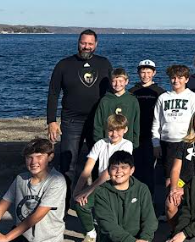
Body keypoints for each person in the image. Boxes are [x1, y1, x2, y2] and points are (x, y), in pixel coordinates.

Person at [46, 29, 113, 185]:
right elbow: (53, 93)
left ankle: (99, 202)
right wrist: (51, 121)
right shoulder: (64, 65)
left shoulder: (104, 63)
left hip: (98, 120)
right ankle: (65, 203)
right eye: (83, 43)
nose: (86, 46)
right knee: (67, 164)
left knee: (100, 163)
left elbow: (113, 92)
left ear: (96, 44)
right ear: (78, 43)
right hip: (71, 121)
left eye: (90, 43)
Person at [72, 114, 134, 242]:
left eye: (118, 130)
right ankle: (91, 234)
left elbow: (110, 171)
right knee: (80, 203)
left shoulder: (127, 145)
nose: (114, 133)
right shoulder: (100, 144)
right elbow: (87, 169)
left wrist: (88, 190)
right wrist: (77, 192)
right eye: (111, 130)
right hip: (101, 185)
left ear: (125, 130)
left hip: (118, 185)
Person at [152, 64, 195, 184]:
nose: (176, 80)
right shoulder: (163, 97)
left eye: (180, 77)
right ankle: (169, 201)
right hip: (167, 144)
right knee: (169, 179)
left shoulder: (192, 97)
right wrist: (155, 143)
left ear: (186, 79)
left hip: (186, 143)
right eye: (173, 77)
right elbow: (156, 122)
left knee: (187, 177)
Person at [129, 59, 165, 190]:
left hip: (152, 136)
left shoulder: (160, 92)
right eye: (142, 72)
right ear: (138, 73)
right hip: (135, 135)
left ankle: (150, 198)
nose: (145, 75)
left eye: (148, 72)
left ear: (154, 73)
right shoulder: (132, 91)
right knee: (135, 167)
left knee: (150, 169)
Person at [91, 68, 140, 148]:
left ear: (126, 81)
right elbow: (98, 123)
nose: (117, 84)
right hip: (107, 143)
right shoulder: (105, 100)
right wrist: (98, 141)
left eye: (121, 81)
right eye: (114, 81)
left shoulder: (132, 100)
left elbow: (136, 123)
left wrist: (135, 143)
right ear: (110, 82)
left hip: (127, 142)